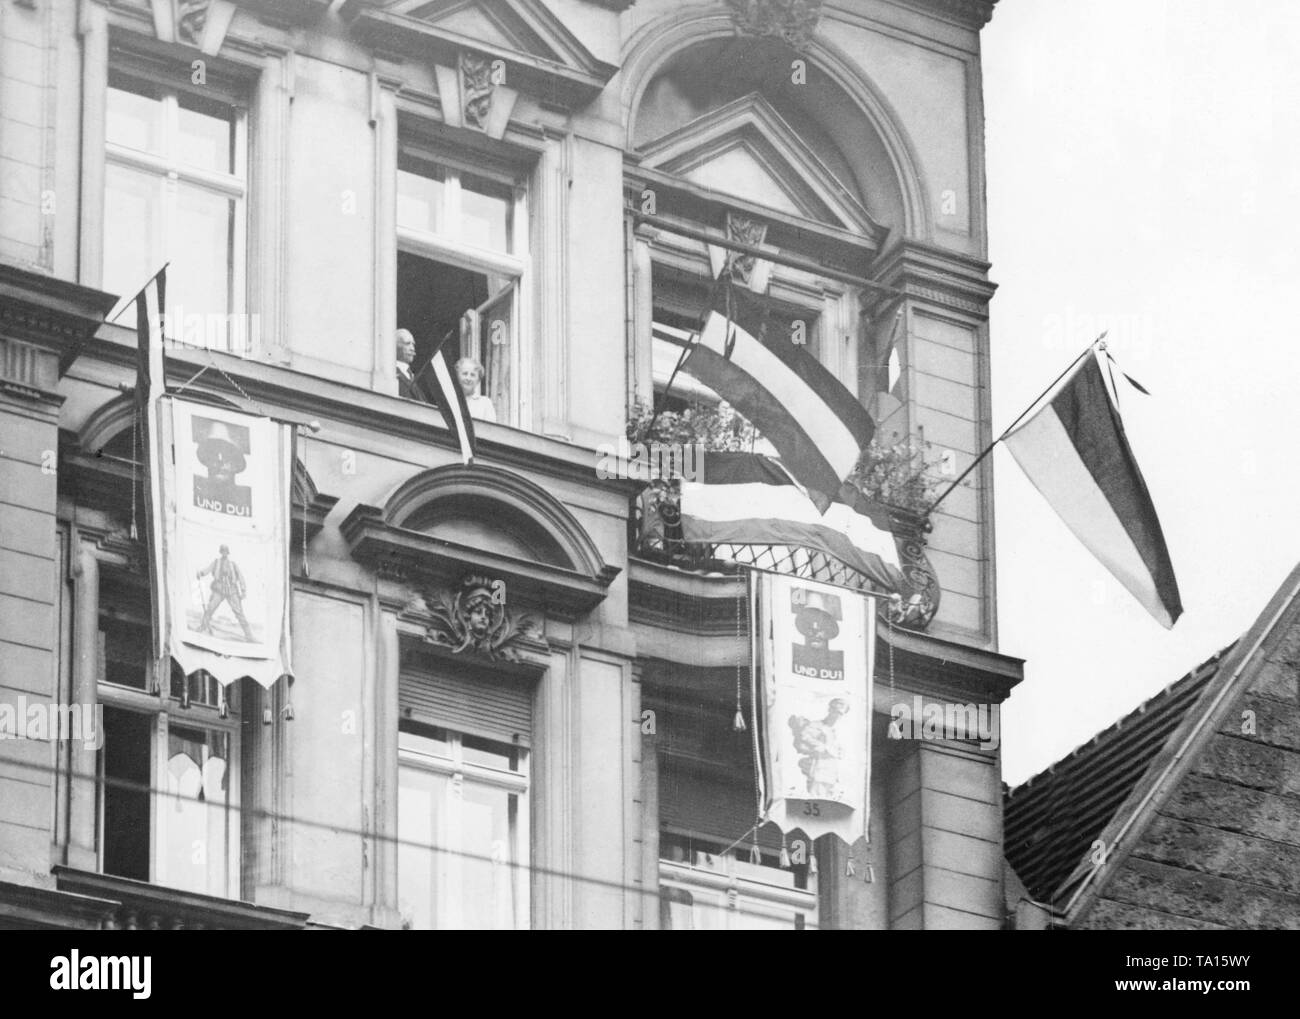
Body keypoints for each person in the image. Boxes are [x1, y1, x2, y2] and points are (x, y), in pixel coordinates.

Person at [193, 420, 252, 517]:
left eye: (226, 454)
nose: (219, 460)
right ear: (206, 459)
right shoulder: (197, 491)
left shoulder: (245, 498)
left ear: (236, 463)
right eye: (213, 453)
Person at [196, 545, 255, 642]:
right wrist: (201, 573)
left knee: (239, 612)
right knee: (210, 608)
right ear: (220, 552)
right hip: (219, 589)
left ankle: (249, 636)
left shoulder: (233, 564)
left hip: (232, 591)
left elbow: (240, 577)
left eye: (226, 551)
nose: (224, 553)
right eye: (222, 551)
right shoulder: (216, 562)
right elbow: (208, 569)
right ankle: (203, 627)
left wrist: (243, 590)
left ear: (228, 553)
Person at [455, 356, 497, 422]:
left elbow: (490, 430)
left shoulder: (485, 403)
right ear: (457, 376)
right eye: (465, 374)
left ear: (478, 380)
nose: (468, 378)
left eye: (472, 375)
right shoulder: (449, 400)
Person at [395, 328, 426, 401]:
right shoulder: (391, 372)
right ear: (395, 345)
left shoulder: (413, 376)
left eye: (413, 344)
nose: (412, 348)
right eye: (407, 344)